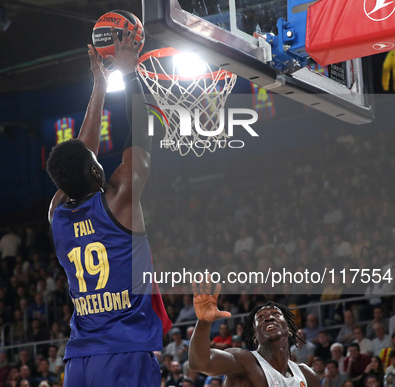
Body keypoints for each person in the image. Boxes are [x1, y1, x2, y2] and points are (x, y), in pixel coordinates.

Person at [46, 23, 170, 386]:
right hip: (125, 354)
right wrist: (130, 72)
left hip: (80, 359)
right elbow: (142, 134)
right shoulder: (120, 200)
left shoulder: (56, 212)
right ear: (98, 174)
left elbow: (83, 153)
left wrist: (100, 85)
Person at [189, 279, 320, 387]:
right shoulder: (243, 361)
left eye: (276, 314)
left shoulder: (306, 374)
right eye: (261, 317)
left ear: (290, 330)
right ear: (255, 336)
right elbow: (200, 363)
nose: (269, 318)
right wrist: (203, 323)